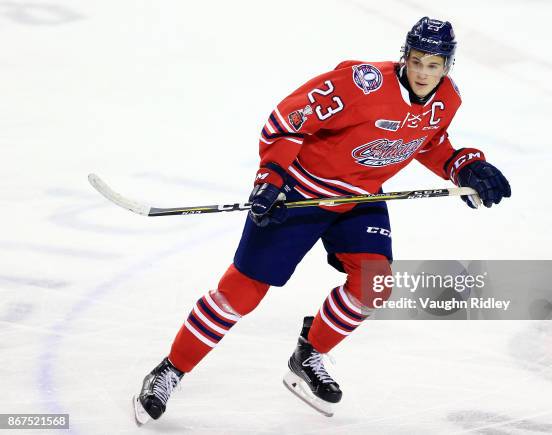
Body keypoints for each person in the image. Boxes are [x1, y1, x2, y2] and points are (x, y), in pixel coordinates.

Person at [132, 16, 511, 423]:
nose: (422, 72)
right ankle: (169, 370)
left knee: (374, 285)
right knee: (242, 292)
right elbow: (286, 123)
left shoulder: (448, 99)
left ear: (448, 66)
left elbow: (426, 140)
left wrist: (461, 166)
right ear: (405, 55)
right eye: (416, 60)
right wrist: (271, 177)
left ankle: (308, 354)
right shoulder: (360, 84)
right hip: (301, 191)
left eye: (433, 65)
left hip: (361, 197)